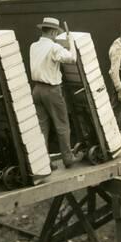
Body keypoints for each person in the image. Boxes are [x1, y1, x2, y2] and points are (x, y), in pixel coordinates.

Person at [29, 17, 84, 168]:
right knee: (62, 125)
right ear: (53, 32)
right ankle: (68, 158)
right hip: (52, 90)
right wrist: (71, 42)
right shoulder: (54, 48)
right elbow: (72, 59)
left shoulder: (33, 46)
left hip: (36, 90)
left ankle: (43, 162)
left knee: (42, 128)